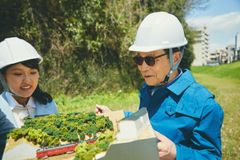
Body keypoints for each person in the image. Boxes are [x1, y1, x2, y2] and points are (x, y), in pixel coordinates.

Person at [96, 12, 224, 160]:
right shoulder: (147, 89)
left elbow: (211, 156)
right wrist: (116, 115)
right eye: (139, 59)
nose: (143, 68)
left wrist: (175, 152)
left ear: (175, 58)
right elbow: (146, 121)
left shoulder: (205, 106)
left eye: (150, 59)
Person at [0, 37, 58, 128]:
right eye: (18, 74)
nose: (27, 80)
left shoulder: (47, 103)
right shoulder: (2, 109)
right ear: (3, 77)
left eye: (33, 72)